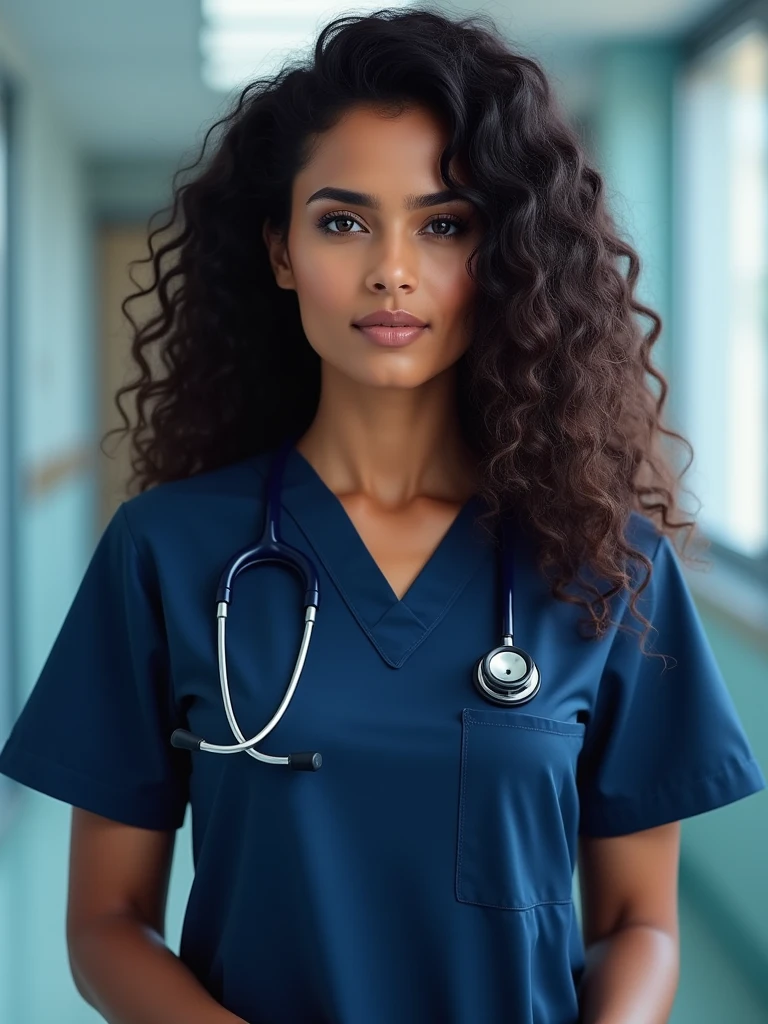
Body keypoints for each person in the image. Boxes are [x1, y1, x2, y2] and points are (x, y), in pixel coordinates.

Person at [0, 6, 765, 1023]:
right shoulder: (166, 550)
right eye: (343, 220)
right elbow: (105, 919)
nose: (391, 268)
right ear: (280, 250)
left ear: (504, 259)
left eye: (444, 224)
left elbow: (640, 924)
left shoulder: (604, 563)